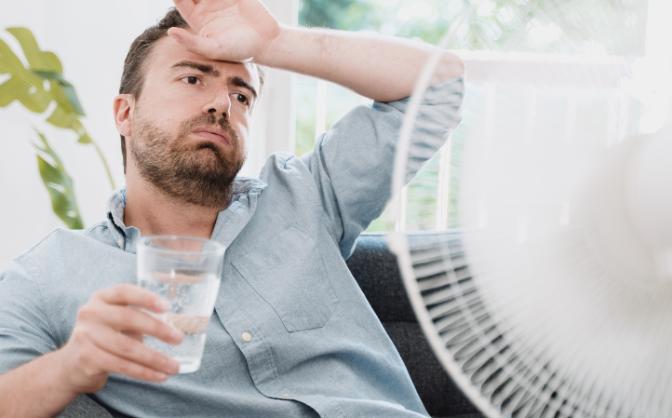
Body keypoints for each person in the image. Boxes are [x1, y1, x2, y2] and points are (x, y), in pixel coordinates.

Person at [0, 0, 464, 416]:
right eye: (192, 78)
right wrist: (68, 367)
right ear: (126, 113)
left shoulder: (308, 194)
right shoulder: (48, 276)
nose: (221, 103)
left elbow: (440, 83)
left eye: (241, 95)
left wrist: (274, 43)